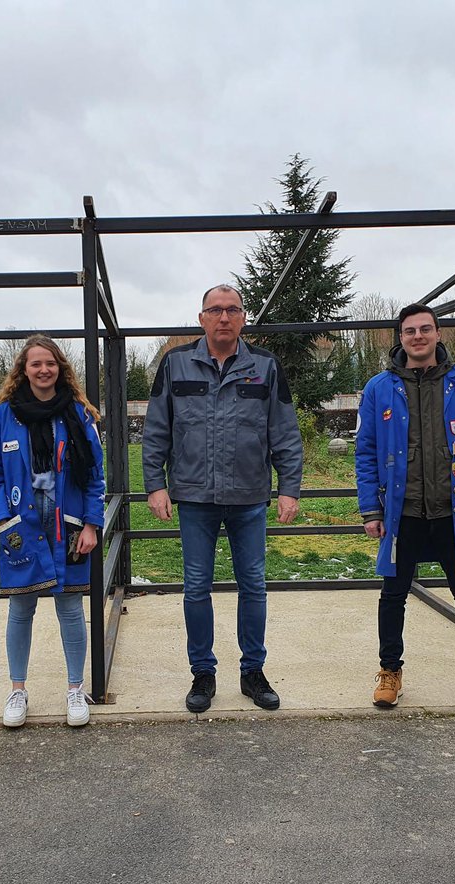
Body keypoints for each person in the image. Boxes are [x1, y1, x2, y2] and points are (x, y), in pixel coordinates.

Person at [143, 284, 303, 713]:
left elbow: (284, 432)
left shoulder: (265, 366)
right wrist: (154, 484)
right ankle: (203, 673)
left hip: (250, 498)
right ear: (202, 319)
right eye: (215, 310)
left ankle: (253, 671)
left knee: (254, 585)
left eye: (232, 310)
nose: (224, 317)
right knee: (197, 587)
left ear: (243, 318)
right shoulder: (175, 364)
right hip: (194, 499)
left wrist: (289, 488)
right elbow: (157, 428)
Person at [355, 303, 455, 715]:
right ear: (400, 338)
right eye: (410, 331)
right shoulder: (379, 388)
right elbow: (366, 451)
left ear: (438, 334)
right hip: (401, 512)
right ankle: (390, 672)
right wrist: (370, 508)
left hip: (453, 511)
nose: (418, 336)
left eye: (425, 329)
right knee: (393, 595)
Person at [0, 335, 106, 728]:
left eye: (50, 363)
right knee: (20, 608)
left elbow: (95, 476)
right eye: (35, 364)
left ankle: (74, 690)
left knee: (70, 609)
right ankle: (17, 689)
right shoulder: (4, 415)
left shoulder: (79, 414)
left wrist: (91, 524)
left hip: (67, 527)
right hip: (22, 529)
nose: (43, 370)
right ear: (24, 370)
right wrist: (3, 520)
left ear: (60, 368)